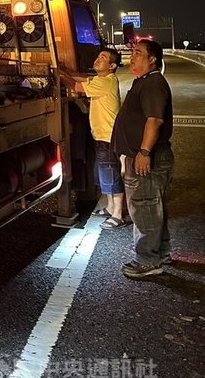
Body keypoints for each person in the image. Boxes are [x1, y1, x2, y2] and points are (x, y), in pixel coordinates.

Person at [112, 39, 174, 279]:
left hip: (148, 156)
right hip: (143, 155)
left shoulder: (153, 83)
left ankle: (148, 261)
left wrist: (144, 152)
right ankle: (161, 253)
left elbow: (154, 120)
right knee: (153, 208)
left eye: (138, 53)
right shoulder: (144, 81)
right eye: (132, 52)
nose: (132, 56)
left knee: (145, 207)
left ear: (152, 59)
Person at [62, 48, 124, 229]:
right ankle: (111, 207)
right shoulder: (100, 79)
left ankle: (118, 215)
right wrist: (65, 70)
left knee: (111, 173)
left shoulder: (108, 82)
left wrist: (58, 74)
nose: (97, 60)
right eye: (98, 56)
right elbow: (81, 77)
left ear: (112, 66)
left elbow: (76, 86)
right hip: (102, 135)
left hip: (108, 136)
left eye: (103, 58)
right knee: (105, 173)